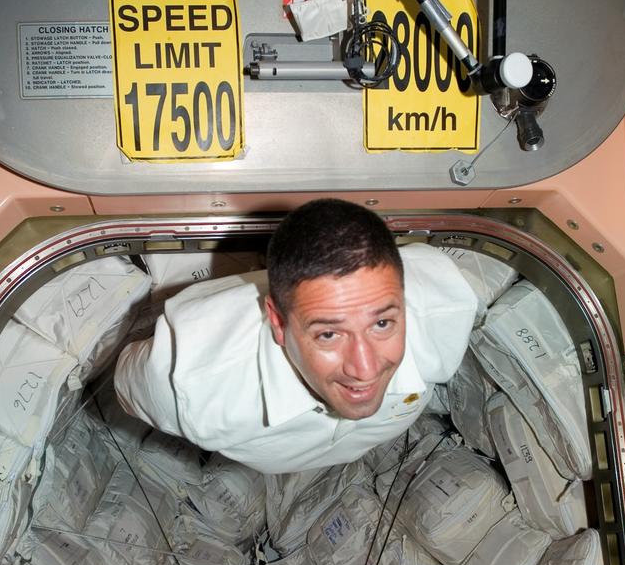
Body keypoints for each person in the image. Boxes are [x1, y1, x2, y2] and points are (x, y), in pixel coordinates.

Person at [114, 199, 477, 473]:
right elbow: (126, 381)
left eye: (381, 324)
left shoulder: (444, 313)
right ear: (277, 322)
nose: (365, 369)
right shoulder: (188, 384)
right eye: (330, 334)